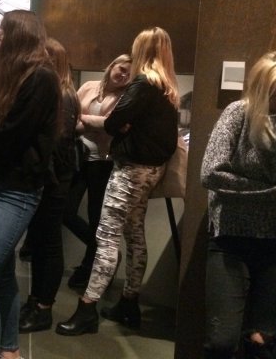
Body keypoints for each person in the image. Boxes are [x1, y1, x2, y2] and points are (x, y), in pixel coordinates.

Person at [56, 26, 179, 336]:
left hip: (130, 169)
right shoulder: (168, 87)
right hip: (151, 170)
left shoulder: (143, 84)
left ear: (141, 51)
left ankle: (87, 308)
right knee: (135, 235)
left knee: (107, 237)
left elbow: (113, 123)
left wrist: (114, 123)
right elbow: (119, 123)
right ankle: (129, 303)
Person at [0, 10, 61, 359]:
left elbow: (13, 134)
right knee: (3, 275)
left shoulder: (42, 78)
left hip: (18, 189)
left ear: (19, 34)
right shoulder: (13, 74)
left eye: (2, 30)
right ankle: (9, 351)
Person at [200, 51, 276, 359]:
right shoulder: (237, 114)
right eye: (272, 95)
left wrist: (275, 136)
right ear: (258, 91)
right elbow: (210, 174)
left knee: (261, 342)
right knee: (221, 341)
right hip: (230, 239)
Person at [18, 37, 79, 333]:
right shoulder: (58, 92)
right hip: (49, 176)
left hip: (54, 179)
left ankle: (44, 307)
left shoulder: (63, 95)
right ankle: (36, 299)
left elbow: (57, 142)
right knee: (42, 241)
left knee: (50, 242)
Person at [62, 54, 131, 289]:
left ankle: (89, 265)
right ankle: (105, 253)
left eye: (128, 73)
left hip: (103, 160)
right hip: (78, 156)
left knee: (96, 218)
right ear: (112, 66)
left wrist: (85, 122)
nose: (123, 75)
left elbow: (112, 126)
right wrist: (94, 122)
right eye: (121, 68)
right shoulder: (90, 86)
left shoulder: (125, 97)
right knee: (65, 211)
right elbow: (70, 114)